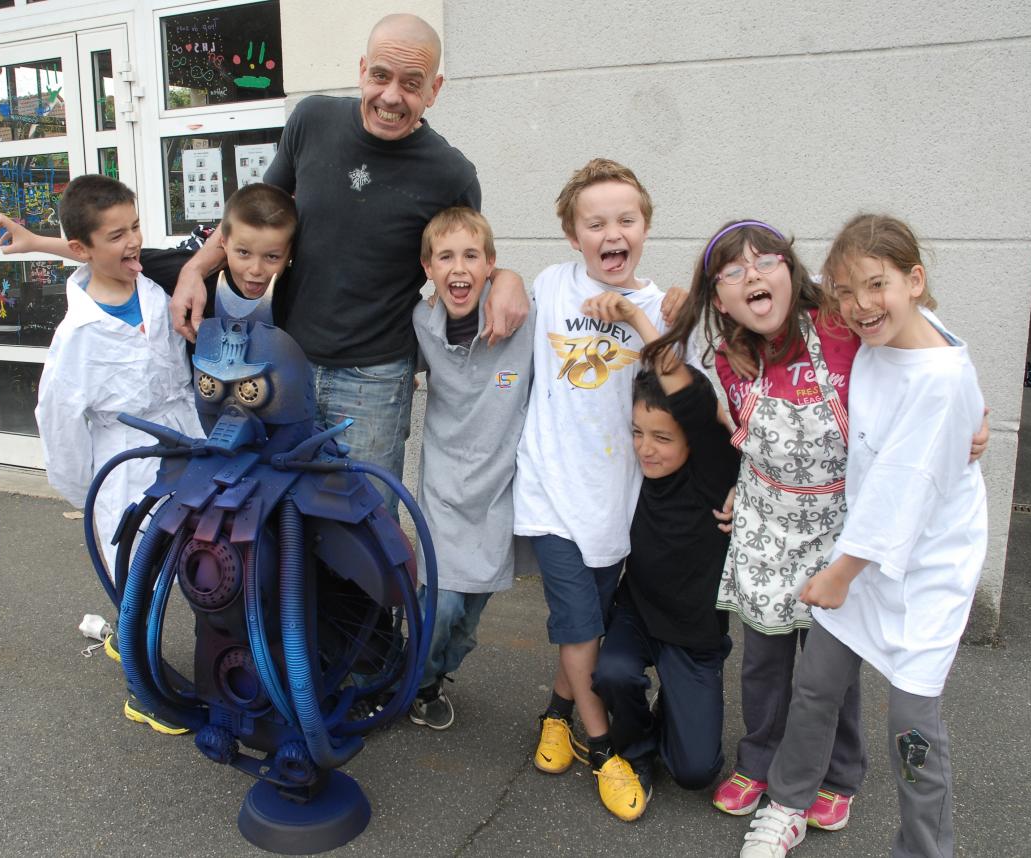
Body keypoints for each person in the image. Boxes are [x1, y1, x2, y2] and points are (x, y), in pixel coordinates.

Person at [648, 219, 988, 831]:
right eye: (732, 272)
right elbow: (737, 431)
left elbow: (917, 335)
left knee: (832, 666)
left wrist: (975, 408)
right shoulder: (727, 356)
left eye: (765, 262)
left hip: (839, 520)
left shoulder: (837, 324)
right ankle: (759, 759)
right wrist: (743, 482)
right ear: (718, 300)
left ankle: (840, 773)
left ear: (792, 271)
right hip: (766, 522)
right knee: (763, 659)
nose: (752, 276)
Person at [164, 13, 530, 512]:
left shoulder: (451, 174)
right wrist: (194, 269)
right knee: (280, 514)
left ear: (435, 89)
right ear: (362, 69)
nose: (391, 96)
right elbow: (254, 218)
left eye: (412, 83)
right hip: (283, 359)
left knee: (363, 522)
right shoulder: (311, 120)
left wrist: (506, 278)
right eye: (380, 75)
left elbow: (466, 259)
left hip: (374, 380)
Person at [513, 158, 675, 821]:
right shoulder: (552, 284)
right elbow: (500, 293)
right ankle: (603, 746)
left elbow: (676, 388)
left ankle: (555, 713)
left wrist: (638, 318)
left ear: (645, 228)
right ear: (573, 235)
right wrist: (499, 280)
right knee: (580, 624)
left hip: (614, 502)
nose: (612, 233)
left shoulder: (659, 308)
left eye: (625, 220)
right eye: (596, 223)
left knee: (585, 632)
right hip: (549, 491)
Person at [32, 174, 203, 734]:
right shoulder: (77, 334)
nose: (132, 242)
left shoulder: (152, 290)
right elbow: (59, 421)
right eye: (116, 235)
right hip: (127, 463)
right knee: (137, 574)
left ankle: (148, 647)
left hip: (184, 443)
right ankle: (142, 692)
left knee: (196, 558)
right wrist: (87, 491)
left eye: (135, 227)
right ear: (81, 249)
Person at [587, 306, 741, 816]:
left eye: (662, 438)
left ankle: (676, 702)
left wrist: (638, 317)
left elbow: (693, 400)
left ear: (692, 438)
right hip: (638, 613)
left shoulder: (713, 474)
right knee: (613, 673)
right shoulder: (632, 475)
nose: (645, 449)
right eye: (637, 433)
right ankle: (638, 748)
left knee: (695, 771)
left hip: (694, 633)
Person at [407, 207, 534, 731]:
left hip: (497, 488)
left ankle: (437, 674)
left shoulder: (523, 317)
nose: (459, 268)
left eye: (471, 256)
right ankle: (415, 680)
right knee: (440, 603)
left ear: (490, 264)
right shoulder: (420, 324)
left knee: (470, 613)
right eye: (445, 257)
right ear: (428, 268)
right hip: (444, 484)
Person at [0, 181, 296, 322]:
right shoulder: (193, 277)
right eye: (243, 253)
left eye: (272, 257)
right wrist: (36, 242)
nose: (256, 270)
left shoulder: (297, 288)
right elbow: (104, 254)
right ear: (223, 243)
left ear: (289, 252)